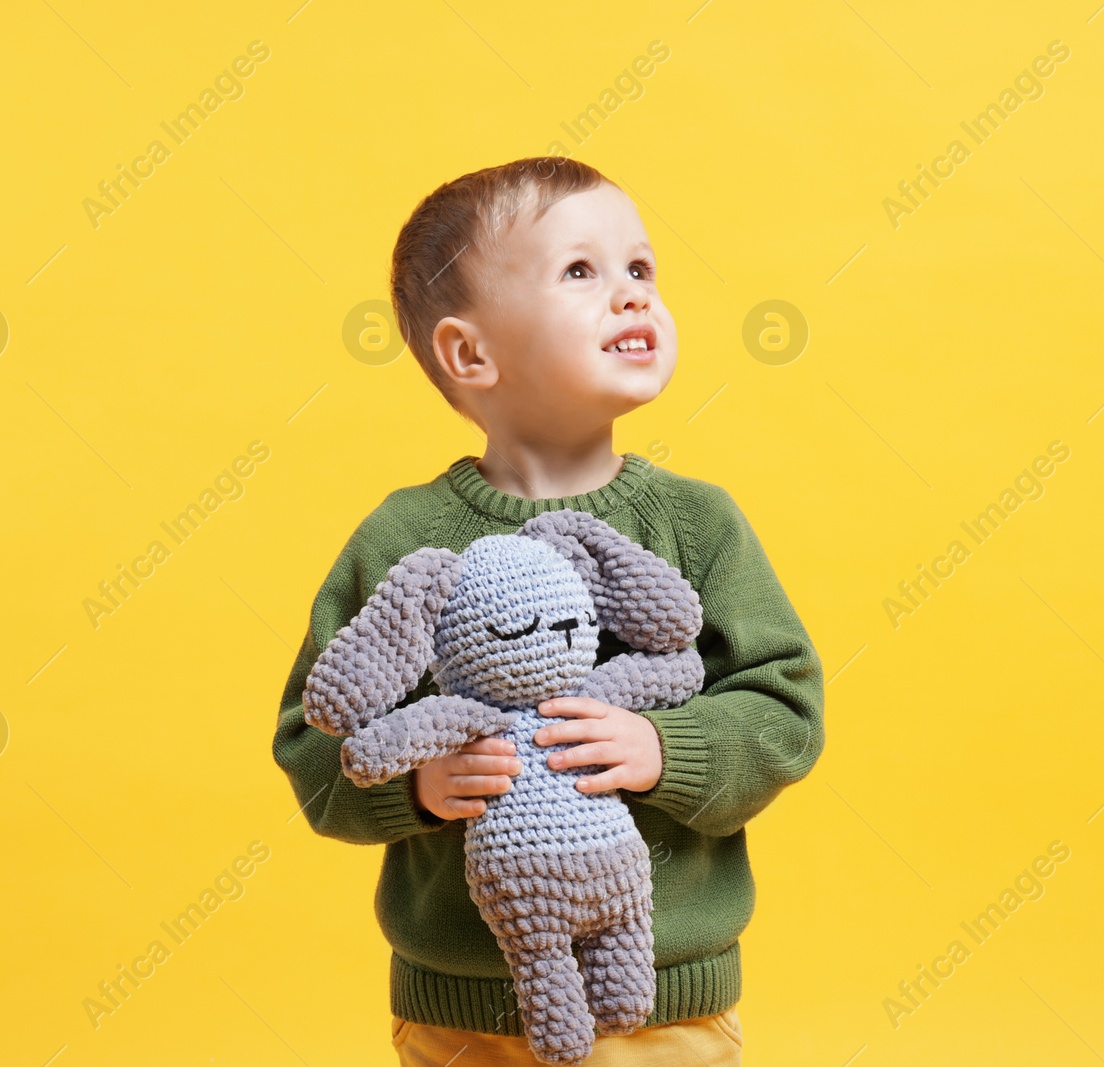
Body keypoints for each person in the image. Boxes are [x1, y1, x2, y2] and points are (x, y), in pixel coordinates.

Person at [273, 155, 824, 1066]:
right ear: (469, 352)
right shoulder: (405, 538)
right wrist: (415, 787)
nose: (632, 297)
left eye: (641, 270)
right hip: (462, 1016)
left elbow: (786, 706)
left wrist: (664, 750)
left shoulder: (697, 522)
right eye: (582, 272)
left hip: (663, 1005)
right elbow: (314, 741)